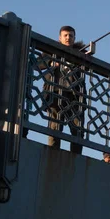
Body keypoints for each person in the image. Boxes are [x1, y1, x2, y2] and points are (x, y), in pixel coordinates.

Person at [40, 26, 87, 154]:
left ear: (74, 38)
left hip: (75, 96)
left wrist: (82, 56)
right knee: (55, 127)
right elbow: (37, 64)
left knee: (77, 130)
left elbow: (89, 66)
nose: (68, 38)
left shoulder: (80, 52)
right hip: (55, 93)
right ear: (60, 38)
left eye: (71, 36)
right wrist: (51, 63)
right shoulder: (51, 50)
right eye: (65, 35)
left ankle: (76, 156)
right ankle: (53, 153)